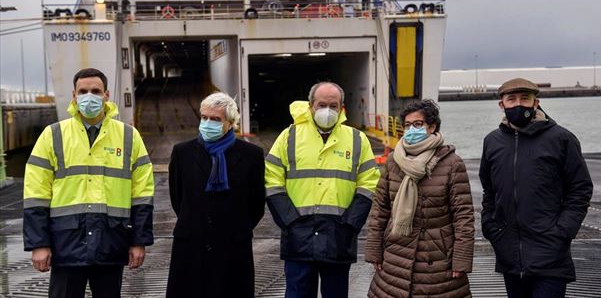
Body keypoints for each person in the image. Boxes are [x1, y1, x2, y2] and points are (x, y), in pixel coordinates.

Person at [23, 68, 154, 298]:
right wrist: (39, 244)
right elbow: (36, 193)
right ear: (74, 96)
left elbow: (142, 193)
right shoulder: (53, 135)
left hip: (111, 240)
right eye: (83, 91)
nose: (89, 96)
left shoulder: (129, 136)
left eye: (95, 91)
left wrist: (139, 241)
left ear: (107, 95)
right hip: (66, 244)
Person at [479, 78, 593, 298]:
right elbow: (489, 191)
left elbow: (580, 189)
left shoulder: (562, 139)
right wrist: (491, 227)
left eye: (525, 98)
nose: (518, 104)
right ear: (501, 105)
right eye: (511, 99)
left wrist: (562, 232)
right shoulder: (492, 142)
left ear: (536, 103)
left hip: (551, 256)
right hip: (509, 255)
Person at [265, 82, 381, 298]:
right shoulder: (288, 137)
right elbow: (272, 180)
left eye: (333, 105)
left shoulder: (357, 139)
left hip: (338, 236)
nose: (327, 110)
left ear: (342, 108)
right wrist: (290, 221)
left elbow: (369, 184)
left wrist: (350, 225)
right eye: (322, 104)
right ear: (311, 106)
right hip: (298, 236)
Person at [365, 99, 475, 297]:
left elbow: (463, 216)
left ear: (432, 127)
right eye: (407, 125)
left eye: (417, 124)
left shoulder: (452, 163)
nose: (411, 129)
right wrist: (374, 250)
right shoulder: (394, 161)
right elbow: (380, 209)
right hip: (396, 254)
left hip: (438, 258)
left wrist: (461, 259)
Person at [166, 92, 266, 297]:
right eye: (204, 117)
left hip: (233, 247)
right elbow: (178, 197)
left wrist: (236, 227)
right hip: (191, 244)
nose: (207, 123)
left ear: (230, 123)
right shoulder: (182, 153)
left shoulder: (251, 156)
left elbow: (256, 204)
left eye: (215, 119)